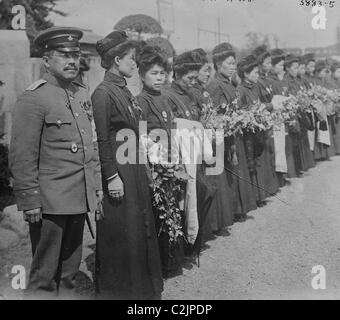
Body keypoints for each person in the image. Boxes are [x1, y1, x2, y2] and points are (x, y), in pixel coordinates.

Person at [9, 27, 103, 299]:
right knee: (44, 274)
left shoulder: (81, 94)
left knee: (68, 274)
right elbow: (22, 155)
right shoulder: (34, 98)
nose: (72, 60)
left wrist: (95, 188)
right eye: (64, 55)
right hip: (50, 201)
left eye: (75, 54)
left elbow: (90, 146)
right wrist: (30, 199)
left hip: (78, 196)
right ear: (47, 60)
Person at [91, 31, 163, 300]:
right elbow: (102, 139)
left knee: (138, 227)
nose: (135, 64)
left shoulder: (122, 89)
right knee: (124, 231)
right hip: (120, 173)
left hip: (133, 169)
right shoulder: (103, 93)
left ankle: (141, 290)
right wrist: (111, 177)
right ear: (117, 59)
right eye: (131, 59)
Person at [135, 45, 185, 278]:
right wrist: (159, 160)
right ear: (142, 75)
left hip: (170, 163)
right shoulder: (140, 102)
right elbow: (141, 138)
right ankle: (158, 266)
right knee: (158, 214)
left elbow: (172, 128)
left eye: (162, 73)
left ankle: (171, 261)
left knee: (172, 210)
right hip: (154, 167)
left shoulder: (164, 99)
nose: (159, 78)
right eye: (154, 73)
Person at [207, 42, 257, 219]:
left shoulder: (229, 84)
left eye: (234, 63)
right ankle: (228, 214)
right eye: (228, 63)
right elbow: (211, 114)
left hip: (233, 134)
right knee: (226, 174)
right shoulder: (215, 85)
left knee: (236, 171)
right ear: (218, 65)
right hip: (222, 137)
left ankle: (236, 210)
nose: (232, 67)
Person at [237, 54, 269, 206]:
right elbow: (240, 112)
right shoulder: (241, 90)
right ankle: (254, 198)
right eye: (255, 73)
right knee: (251, 163)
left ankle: (259, 196)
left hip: (258, 132)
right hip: (248, 135)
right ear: (245, 74)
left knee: (257, 160)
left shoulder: (255, 88)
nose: (258, 75)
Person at [251, 45, 279, 196]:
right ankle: (262, 191)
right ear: (259, 64)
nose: (269, 66)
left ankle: (269, 187)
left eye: (270, 63)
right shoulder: (257, 81)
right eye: (266, 63)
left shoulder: (266, 80)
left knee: (269, 153)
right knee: (262, 156)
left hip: (268, 120)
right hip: (261, 121)